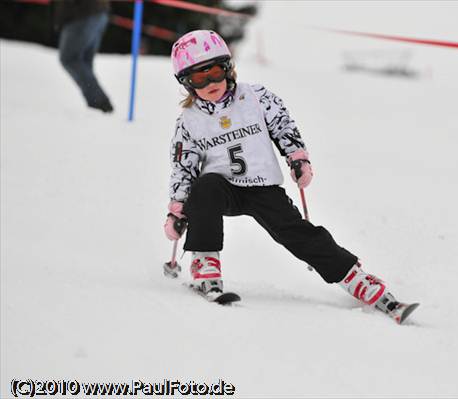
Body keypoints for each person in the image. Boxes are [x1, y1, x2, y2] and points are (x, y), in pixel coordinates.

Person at [163, 30, 416, 322]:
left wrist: (297, 157)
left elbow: (282, 126)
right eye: (198, 78)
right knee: (206, 186)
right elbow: (183, 166)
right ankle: (204, 263)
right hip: (222, 190)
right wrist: (178, 209)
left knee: (297, 232)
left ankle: (354, 277)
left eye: (216, 72)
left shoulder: (255, 97)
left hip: (262, 187)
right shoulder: (189, 121)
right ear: (186, 83)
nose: (210, 83)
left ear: (228, 68)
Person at [54, 0, 113, 113]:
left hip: (82, 14)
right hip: (99, 12)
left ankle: (99, 102)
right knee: (85, 62)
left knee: (69, 58)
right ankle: (97, 106)